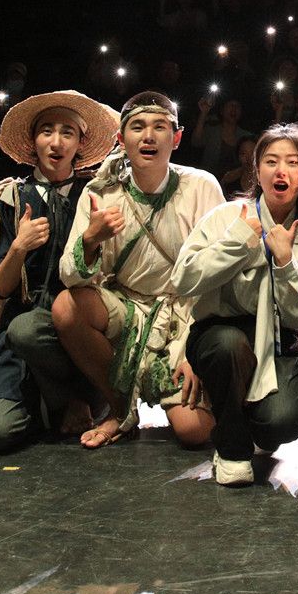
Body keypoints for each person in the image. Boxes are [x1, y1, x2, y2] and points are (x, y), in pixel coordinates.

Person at [53, 91, 223, 449]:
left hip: (184, 313)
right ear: (121, 138)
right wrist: (91, 239)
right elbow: (69, 275)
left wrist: (194, 350)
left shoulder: (201, 186)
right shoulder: (101, 192)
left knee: (194, 431)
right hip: (127, 309)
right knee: (66, 307)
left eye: (160, 127)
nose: (148, 137)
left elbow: (220, 276)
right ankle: (119, 409)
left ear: (176, 138)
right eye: (137, 127)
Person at [0, 91, 120, 454]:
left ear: (81, 142)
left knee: (31, 329)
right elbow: (0, 289)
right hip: (17, 335)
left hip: (75, 330)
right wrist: (19, 247)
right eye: (47, 131)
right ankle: (59, 406)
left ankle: (77, 399)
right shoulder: (9, 197)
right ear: (33, 140)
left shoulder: (95, 196)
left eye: (68, 132)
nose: (56, 142)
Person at [172, 124, 298, 487]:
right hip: (219, 335)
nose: (281, 171)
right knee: (228, 345)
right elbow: (183, 279)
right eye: (271, 161)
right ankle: (232, 450)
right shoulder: (226, 216)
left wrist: (285, 263)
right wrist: (239, 240)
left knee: (281, 422)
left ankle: (244, 420)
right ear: (257, 169)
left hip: (277, 344)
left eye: (292, 162)